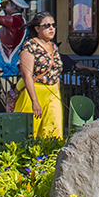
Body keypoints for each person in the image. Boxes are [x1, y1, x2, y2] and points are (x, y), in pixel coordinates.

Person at [15, 10, 64, 139]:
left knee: (54, 129)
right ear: (37, 28)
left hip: (52, 92)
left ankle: (52, 157)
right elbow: (27, 75)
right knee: (31, 131)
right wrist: (34, 101)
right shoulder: (29, 46)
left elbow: (56, 71)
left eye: (53, 25)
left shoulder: (53, 47)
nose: (51, 28)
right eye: (47, 25)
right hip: (34, 91)